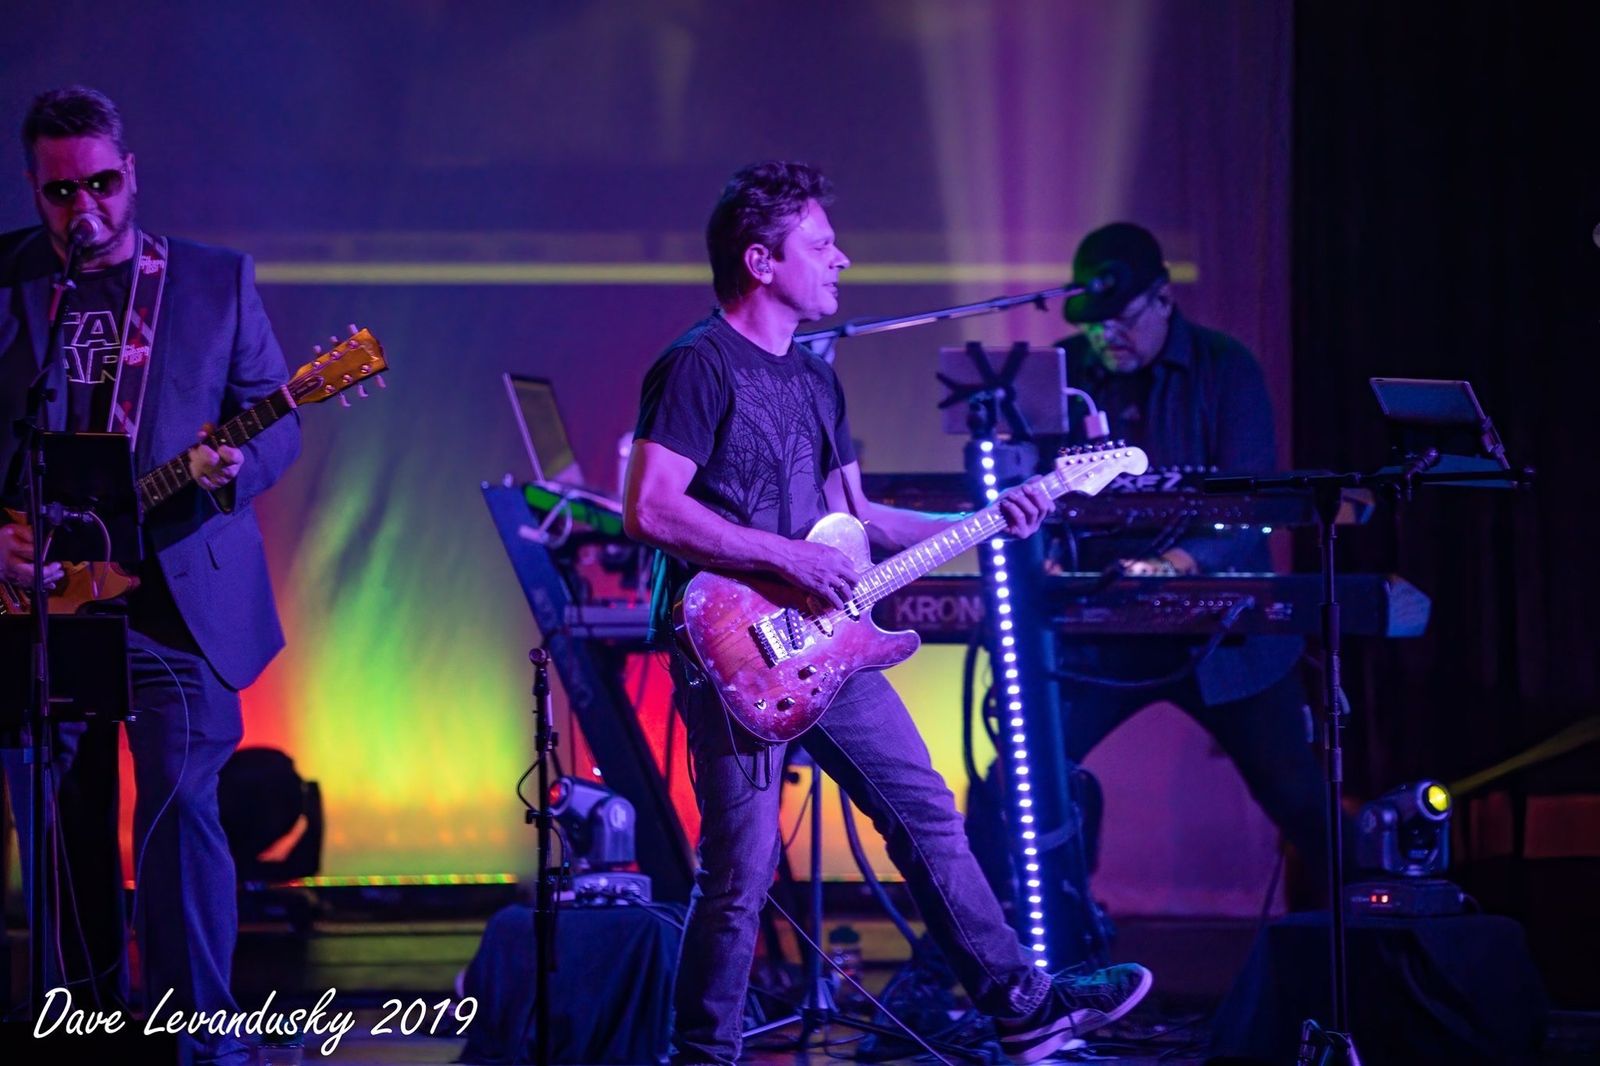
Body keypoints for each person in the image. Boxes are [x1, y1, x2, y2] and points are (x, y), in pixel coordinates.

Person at [623, 161, 1152, 1066]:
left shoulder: (815, 381)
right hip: (733, 650)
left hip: (831, 644)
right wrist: (786, 556)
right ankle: (703, 1056)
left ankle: (1022, 1008)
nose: (843, 260)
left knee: (927, 813)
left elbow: (858, 518)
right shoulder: (697, 366)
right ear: (760, 261)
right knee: (739, 877)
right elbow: (651, 509)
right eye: (821, 245)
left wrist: (988, 520)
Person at [0, 86, 300, 1064]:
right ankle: (83, 1023)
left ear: (129, 174)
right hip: (44, 605)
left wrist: (235, 467)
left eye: (99, 184)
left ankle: (200, 1038)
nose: (82, 208)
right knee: (59, 820)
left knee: (178, 803)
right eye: (60, 192)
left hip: (177, 601)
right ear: (35, 189)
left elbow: (280, 418)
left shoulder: (213, 281)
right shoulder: (7, 279)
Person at [1042, 222, 1340, 911]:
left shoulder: (1226, 368)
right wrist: (1051, 560)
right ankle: (987, 951)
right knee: (1019, 781)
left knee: (1299, 797)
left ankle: (1369, 939)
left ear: (1163, 298)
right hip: (1103, 630)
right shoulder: (1063, 373)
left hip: (1223, 635)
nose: (1107, 336)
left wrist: (1172, 566)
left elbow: (1252, 504)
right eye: (1094, 324)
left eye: (1121, 319)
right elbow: (1032, 490)